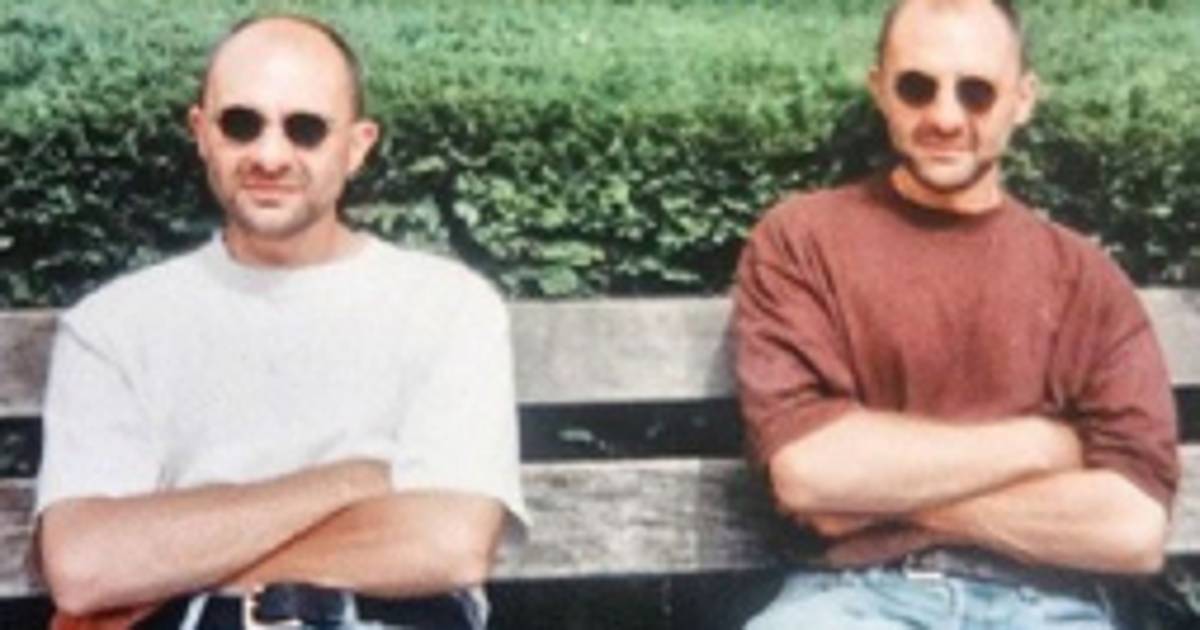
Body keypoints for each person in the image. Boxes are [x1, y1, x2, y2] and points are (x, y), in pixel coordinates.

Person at [35, 14, 527, 630]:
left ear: (357, 146)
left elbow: (449, 544)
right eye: (241, 125)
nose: (270, 155)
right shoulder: (114, 326)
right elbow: (86, 566)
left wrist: (167, 568)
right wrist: (352, 480)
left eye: (306, 129)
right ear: (202, 133)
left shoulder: (448, 306)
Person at [733, 0, 1178, 628]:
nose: (945, 117)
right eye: (917, 87)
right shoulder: (801, 242)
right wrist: (1040, 445)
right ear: (879, 89)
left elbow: (1131, 530)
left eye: (976, 92)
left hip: (1046, 607)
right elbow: (810, 474)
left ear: (1022, 99)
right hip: (852, 599)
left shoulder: (1086, 281)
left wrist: (876, 497)